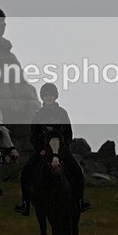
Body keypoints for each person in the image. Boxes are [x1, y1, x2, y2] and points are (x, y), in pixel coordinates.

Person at [14, 83, 91, 216]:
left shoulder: (62, 113)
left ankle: (80, 201)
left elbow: (68, 133)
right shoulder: (38, 115)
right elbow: (34, 135)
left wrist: (64, 148)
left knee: (77, 171)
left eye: (51, 95)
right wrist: (40, 149)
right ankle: (25, 204)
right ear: (42, 97)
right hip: (44, 151)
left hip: (60, 150)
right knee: (26, 172)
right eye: (46, 95)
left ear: (55, 97)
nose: (48, 98)